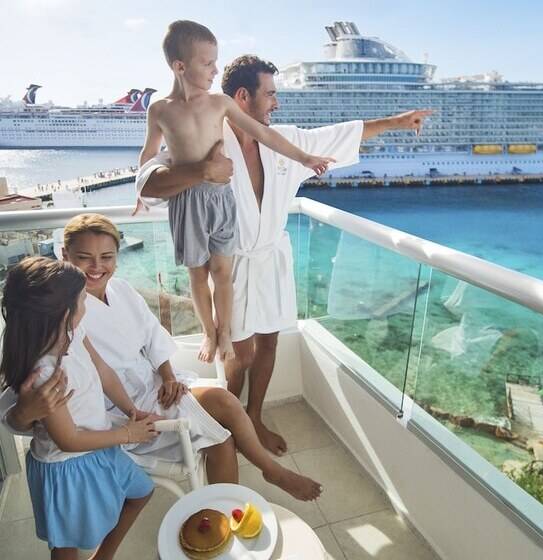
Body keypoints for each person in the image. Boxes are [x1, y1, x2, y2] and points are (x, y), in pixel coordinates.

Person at [138, 54, 432, 454]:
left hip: (272, 259)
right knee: (239, 354)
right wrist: (202, 172)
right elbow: (148, 182)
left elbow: (339, 135)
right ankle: (229, 424)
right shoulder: (203, 139)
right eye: (271, 94)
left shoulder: (282, 141)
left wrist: (396, 122)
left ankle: (254, 417)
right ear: (243, 97)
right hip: (232, 264)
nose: (277, 103)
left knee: (269, 343)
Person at [2, 214, 322, 501]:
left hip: (154, 387)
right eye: (84, 258)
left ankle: (240, 498)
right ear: (64, 255)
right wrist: (24, 412)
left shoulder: (122, 290)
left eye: (107, 257)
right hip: (118, 414)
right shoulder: (57, 316)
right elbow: (20, 407)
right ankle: (259, 481)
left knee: (225, 404)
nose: (97, 267)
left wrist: (168, 376)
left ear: (117, 258)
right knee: (222, 437)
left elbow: (153, 335)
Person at [139, 20, 335, 363]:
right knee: (197, 274)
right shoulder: (159, 110)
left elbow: (266, 135)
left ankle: (225, 332)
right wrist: (139, 194)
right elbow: (148, 156)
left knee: (222, 272)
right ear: (180, 66)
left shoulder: (220, 103)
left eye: (216, 62)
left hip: (220, 197)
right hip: (186, 201)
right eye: (207, 63)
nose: (215, 70)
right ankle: (209, 332)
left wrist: (305, 158)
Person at [0, 257, 156, 559]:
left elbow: (104, 372)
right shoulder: (46, 374)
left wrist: (131, 409)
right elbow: (68, 440)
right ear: (64, 313)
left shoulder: (74, 333)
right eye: (83, 299)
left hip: (99, 448)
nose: (87, 303)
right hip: (68, 468)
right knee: (66, 543)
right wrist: (128, 434)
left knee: (141, 492)